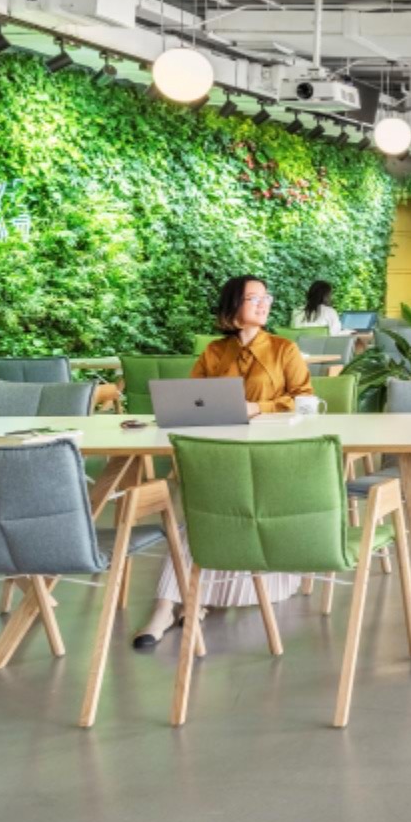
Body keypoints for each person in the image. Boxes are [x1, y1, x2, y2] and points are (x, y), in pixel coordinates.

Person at [134, 275, 316, 649]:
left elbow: (304, 399)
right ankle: (170, 605)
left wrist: (258, 407)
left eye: (266, 297)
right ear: (234, 305)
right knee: (199, 513)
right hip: (219, 454)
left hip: (268, 459)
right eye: (254, 298)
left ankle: (177, 603)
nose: (264, 304)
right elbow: (192, 399)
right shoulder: (214, 353)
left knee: (204, 512)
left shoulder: (284, 349)